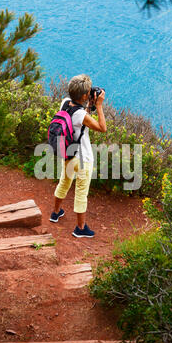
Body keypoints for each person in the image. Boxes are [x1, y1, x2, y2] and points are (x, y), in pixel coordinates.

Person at [49, 74, 106, 238]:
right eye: (88, 92)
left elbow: (78, 115)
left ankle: (56, 212)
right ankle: (80, 228)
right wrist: (99, 106)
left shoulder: (65, 103)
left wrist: (88, 105)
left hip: (67, 154)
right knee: (81, 192)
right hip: (82, 158)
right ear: (84, 95)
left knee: (64, 182)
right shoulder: (81, 115)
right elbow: (102, 128)